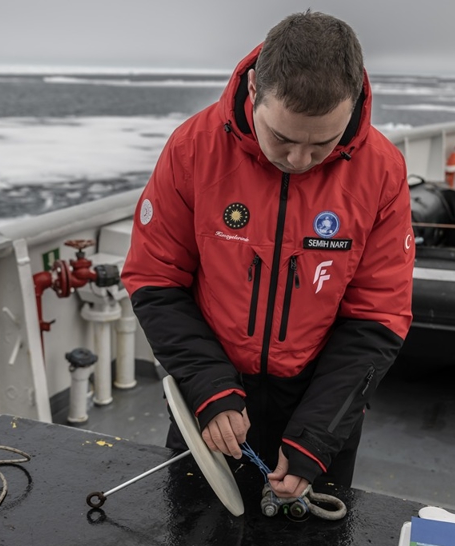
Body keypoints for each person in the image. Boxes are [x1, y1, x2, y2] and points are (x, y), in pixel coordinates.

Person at [122, 10, 414, 501]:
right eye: (281, 137)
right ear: (254, 90)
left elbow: (378, 316)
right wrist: (209, 389)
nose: (299, 161)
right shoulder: (193, 148)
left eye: (323, 142)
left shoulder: (382, 171)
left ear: (354, 106)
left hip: (317, 404)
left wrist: (318, 436)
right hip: (211, 394)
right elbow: (156, 278)